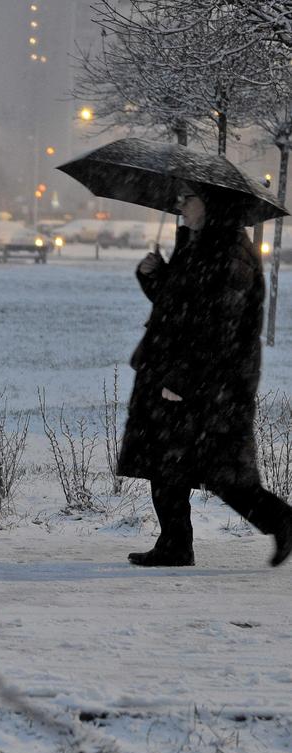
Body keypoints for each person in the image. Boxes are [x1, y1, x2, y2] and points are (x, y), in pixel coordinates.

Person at [118, 183, 292, 567]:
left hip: (210, 383)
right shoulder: (199, 245)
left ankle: (282, 520)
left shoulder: (229, 254)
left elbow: (216, 328)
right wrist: (154, 275)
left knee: (221, 470)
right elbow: (179, 307)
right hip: (182, 374)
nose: (180, 205)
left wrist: (182, 380)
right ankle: (174, 544)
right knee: (166, 461)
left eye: (188, 198)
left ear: (211, 205)